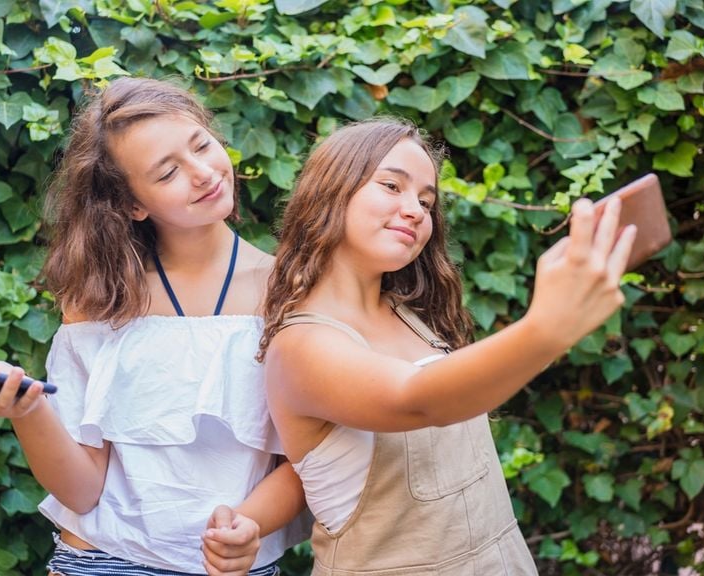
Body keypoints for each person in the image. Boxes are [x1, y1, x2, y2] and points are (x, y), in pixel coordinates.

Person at [0, 77, 307, 576]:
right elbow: (82, 491)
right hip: (99, 562)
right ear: (133, 204)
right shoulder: (100, 300)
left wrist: (249, 526)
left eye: (202, 145)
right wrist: (27, 411)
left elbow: (308, 461)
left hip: (234, 567)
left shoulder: (291, 288)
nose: (202, 173)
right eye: (168, 172)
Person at [258, 118, 637, 575]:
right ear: (330, 191)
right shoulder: (301, 346)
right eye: (391, 186)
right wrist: (546, 328)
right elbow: (417, 398)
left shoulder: (409, 314)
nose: (416, 210)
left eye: (426, 200)